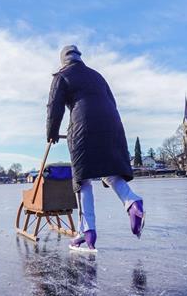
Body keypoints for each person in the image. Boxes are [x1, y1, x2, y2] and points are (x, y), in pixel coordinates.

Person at [47, 45, 145, 251]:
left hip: (83, 127)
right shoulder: (97, 76)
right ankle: (133, 202)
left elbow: (54, 107)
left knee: (82, 180)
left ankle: (86, 232)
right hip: (112, 125)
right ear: (79, 57)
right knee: (109, 172)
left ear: (63, 60)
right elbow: (112, 102)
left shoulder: (62, 75)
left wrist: (52, 132)